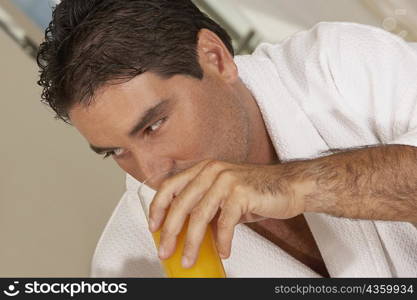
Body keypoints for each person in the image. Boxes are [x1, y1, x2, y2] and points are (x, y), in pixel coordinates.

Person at [37, 0, 417, 277]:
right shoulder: (130, 261)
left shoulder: (338, 66)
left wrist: (299, 185)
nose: (152, 174)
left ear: (215, 58)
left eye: (154, 126)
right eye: (117, 151)